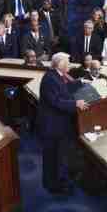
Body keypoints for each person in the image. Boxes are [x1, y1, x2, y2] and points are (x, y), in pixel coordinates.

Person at [36, 52, 88, 194]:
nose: (70, 65)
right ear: (60, 64)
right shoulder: (50, 79)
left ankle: (58, 181)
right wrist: (75, 103)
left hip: (57, 123)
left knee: (58, 155)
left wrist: (80, 82)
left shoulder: (56, 76)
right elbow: (56, 101)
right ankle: (54, 186)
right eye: (68, 62)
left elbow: (64, 91)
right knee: (53, 156)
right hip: (52, 125)